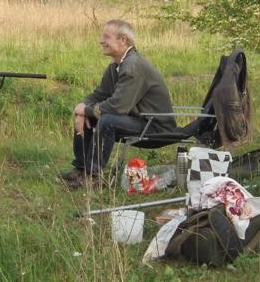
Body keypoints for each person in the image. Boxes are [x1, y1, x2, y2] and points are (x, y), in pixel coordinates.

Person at [59, 19, 178, 189]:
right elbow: (100, 94)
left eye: (106, 37)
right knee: (93, 117)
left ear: (123, 40)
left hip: (156, 127)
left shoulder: (132, 66)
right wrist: (82, 109)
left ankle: (93, 177)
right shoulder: (116, 66)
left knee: (107, 120)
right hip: (140, 120)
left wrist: (86, 110)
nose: (101, 41)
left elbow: (118, 107)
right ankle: (81, 169)